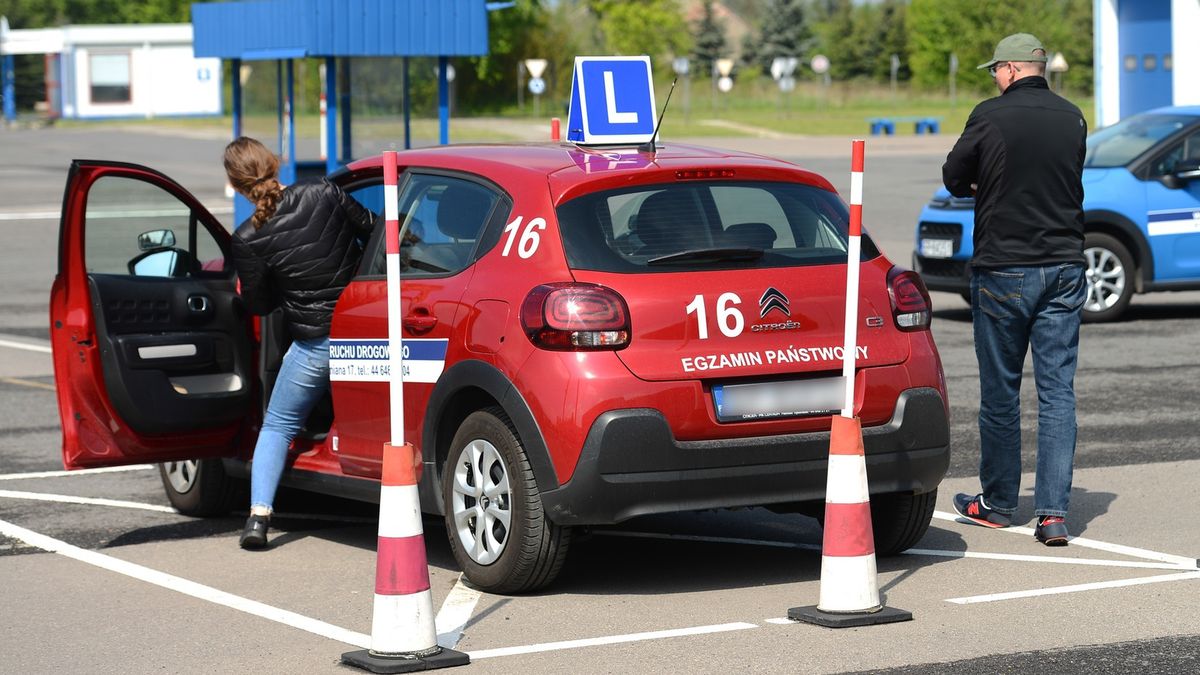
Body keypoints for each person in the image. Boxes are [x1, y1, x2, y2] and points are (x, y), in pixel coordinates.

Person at [942, 33, 1087, 546]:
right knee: (1057, 394)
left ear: (1009, 69)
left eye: (995, 71)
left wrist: (983, 182)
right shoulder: (1073, 116)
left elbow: (954, 175)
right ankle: (1052, 514)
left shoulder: (990, 114)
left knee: (1002, 391)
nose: (994, 79)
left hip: (1005, 266)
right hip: (1065, 266)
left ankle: (999, 504)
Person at [223, 137, 376, 549]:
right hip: (367, 332)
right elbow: (374, 230)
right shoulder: (321, 190)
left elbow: (258, 303)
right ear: (275, 163)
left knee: (276, 425)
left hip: (316, 344)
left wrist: (285, 291)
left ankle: (258, 518)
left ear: (236, 185)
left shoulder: (247, 237)